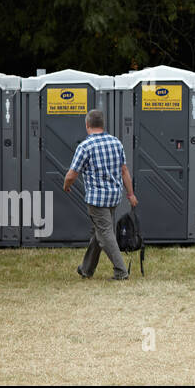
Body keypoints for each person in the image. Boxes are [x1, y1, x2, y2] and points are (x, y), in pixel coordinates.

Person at [63, 109, 137, 281]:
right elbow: (124, 171)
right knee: (100, 232)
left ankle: (121, 272)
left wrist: (66, 186)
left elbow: (72, 174)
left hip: (97, 199)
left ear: (87, 125)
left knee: (105, 234)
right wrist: (130, 194)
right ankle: (86, 269)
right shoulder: (116, 143)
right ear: (102, 125)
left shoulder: (85, 146)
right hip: (114, 197)